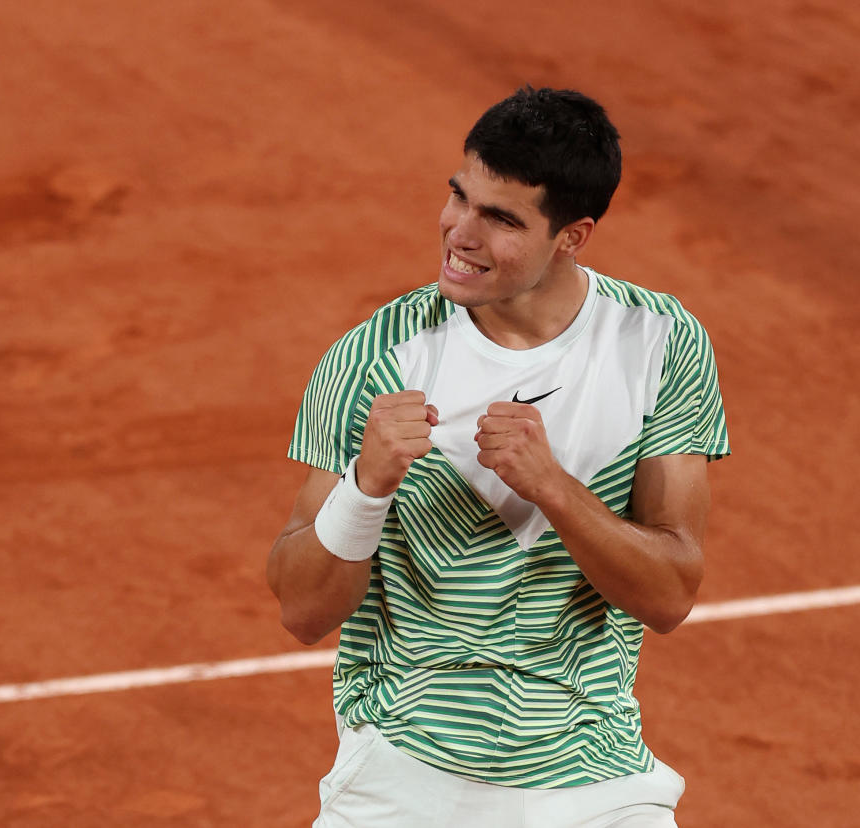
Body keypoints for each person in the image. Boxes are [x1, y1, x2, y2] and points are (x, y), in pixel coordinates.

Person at [267, 86, 729, 827]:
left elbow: (669, 593)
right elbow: (300, 609)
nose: (459, 232)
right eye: (460, 197)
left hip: (593, 778)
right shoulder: (374, 358)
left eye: (501, 218)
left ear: (571, 236)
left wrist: (552, 487)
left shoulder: (660, 343)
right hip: (401, 775)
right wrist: (366, 484)